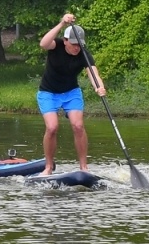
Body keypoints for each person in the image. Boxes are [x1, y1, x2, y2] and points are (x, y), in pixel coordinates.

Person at [37, 13, 105, 175]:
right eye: (74, 44)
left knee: (78, 126)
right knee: (52, 127)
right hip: (48, 92)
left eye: (79, 45)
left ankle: (83, 167)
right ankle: (48, 167)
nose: (77, 48)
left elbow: (93, 74)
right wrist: (61, 23)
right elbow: (43, 43)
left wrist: (99, 87)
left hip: (71, 93)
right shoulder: (56, 46)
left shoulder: (83, 54)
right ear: (66, 41)